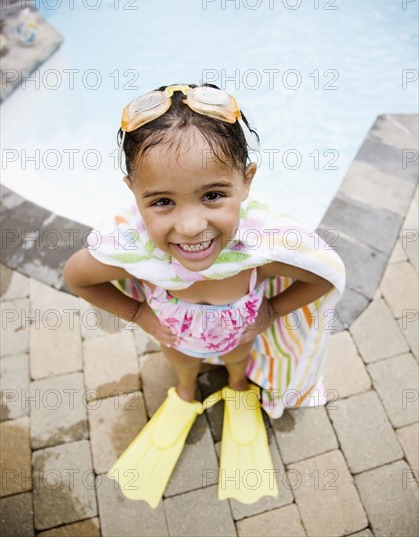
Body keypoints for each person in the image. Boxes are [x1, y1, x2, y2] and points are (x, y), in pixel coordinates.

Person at [63, 83, 346, 507]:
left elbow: (323, 276)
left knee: (238, 360)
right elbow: (78, 277)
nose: (192, 226)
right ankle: (186, 391)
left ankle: (237, 386)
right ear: (133, 192)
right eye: (162, 201)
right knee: (181, 362)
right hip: (176, 337)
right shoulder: (133, 251)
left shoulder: (256, 251)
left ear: (246, 181)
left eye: (213, 195)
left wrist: (272, 310)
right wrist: (139, 313)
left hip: (239, 335)